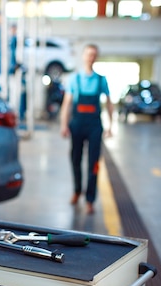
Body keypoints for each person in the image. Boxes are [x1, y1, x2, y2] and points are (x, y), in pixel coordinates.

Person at [60, 43, 113, 215]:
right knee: (75, 159)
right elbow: (67, 103)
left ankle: (90, 200)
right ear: (83, 56)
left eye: (94, 55)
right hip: (77, 125)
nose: (91, 57)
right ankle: (76, 191)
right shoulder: (75, 79)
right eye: (88, 54)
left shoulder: (101, 79)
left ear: (96, 57)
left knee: (94, 163)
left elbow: (109, 102)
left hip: (94, 126)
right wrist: (64, 124)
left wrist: (111, 125)